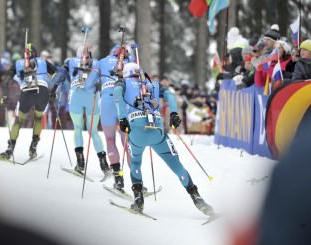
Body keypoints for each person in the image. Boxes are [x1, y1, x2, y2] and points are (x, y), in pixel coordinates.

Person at [113, 62, 214, 216]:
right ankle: (196, 197)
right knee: (177, 166)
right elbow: (170, 94)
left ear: (126, 73)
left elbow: (117, 93)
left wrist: (121, 117)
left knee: (135, 162)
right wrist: (174, 113)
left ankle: (139, 199)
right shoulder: (152, 83)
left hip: (136, 132)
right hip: (157, 131)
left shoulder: (123, 82)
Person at [50, 44, 111, 176]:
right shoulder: (97, 62)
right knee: (93, 131)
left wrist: (53, 89)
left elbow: (60, 75)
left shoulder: (70, 61)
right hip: (92, 96)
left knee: (77, 128)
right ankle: (104, 164)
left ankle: (80, 162)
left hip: (76, 94)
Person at [84, 43, 135, 190]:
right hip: (124, 102)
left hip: (107, 101)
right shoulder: (130, 62)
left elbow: (88, 85)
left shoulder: (101, 61)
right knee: (128, 141)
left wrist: (98, 87)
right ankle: (136, 181)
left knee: (110, 139)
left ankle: (118, 178)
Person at [0, 45, 58, 159]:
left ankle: (10, 148)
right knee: (38, 118)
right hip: (42, 90)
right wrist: (54, 90)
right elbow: (58, 75)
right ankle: (33, 147)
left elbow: (6, 80)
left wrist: (5, 95)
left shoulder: (18, 63)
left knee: (19, 120)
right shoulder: (43, 62)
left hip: (26, 91)